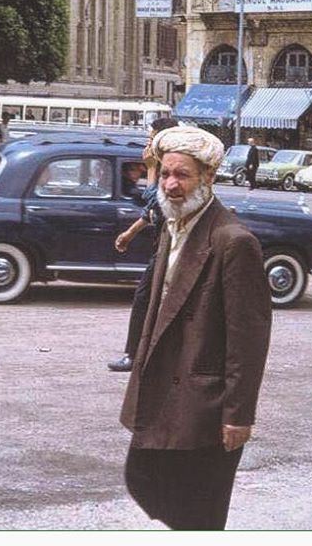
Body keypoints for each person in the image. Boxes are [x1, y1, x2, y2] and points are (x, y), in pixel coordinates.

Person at [120, 125, 271, 530]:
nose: (170, 185)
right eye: (165, 174)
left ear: (207, 178)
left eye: (182, 175)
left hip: (205, 407)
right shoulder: (173, 227)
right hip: (165, 394)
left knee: (200, 515)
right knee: (141, 476)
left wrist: (238, 415)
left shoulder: (233, 241)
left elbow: (249, 339)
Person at [108, 117, 179, 372]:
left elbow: (156, 203)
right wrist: (129, 234)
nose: (147, 145)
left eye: (151, 140)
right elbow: (151, 212)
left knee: (146, 298)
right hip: (165, 244)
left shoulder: (171, 168)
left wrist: (150, 169)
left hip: (173, 246)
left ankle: (135, 354)